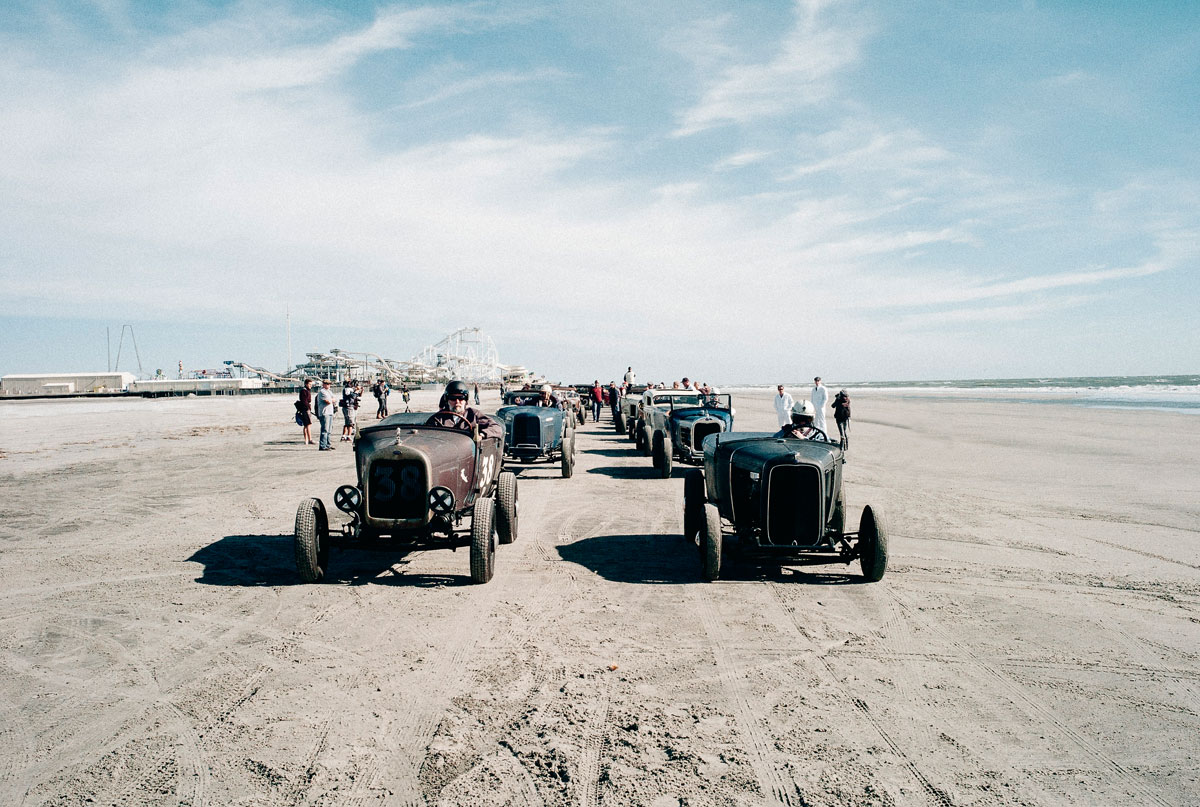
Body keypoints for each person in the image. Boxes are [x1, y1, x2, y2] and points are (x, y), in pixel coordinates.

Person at [426, 380, 504, 439]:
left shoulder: (474, 415)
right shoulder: (438, 419)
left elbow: (496, 428)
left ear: (466, 400)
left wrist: (481, 434)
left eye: (461, 398)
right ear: (447, 400)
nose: (457, 402)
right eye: (453, 398)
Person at [315, 379, 338, 450]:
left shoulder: (329, 392)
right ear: (323, 384)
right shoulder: (322, 392)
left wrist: (332, 400)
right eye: (327, 384)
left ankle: (328, 444)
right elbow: (327, 401)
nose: (328, 385)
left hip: (330, 412)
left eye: (329, 384)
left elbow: (334, 399)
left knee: (329, 430)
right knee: (325, 430)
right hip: (324, 413)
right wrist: (332, 400)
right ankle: (322, 445)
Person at [296, 378, 314, 445]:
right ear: (306, 384)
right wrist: (307, 408)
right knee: (307, 425)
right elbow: (304, 401)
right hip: (305, 409)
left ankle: (308, 439)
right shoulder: (304, 391)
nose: (310, 386)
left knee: (307, 425)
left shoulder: (307, 391)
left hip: (306, 409)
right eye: (309, 384)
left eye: (311, 384)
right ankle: (308, 440)